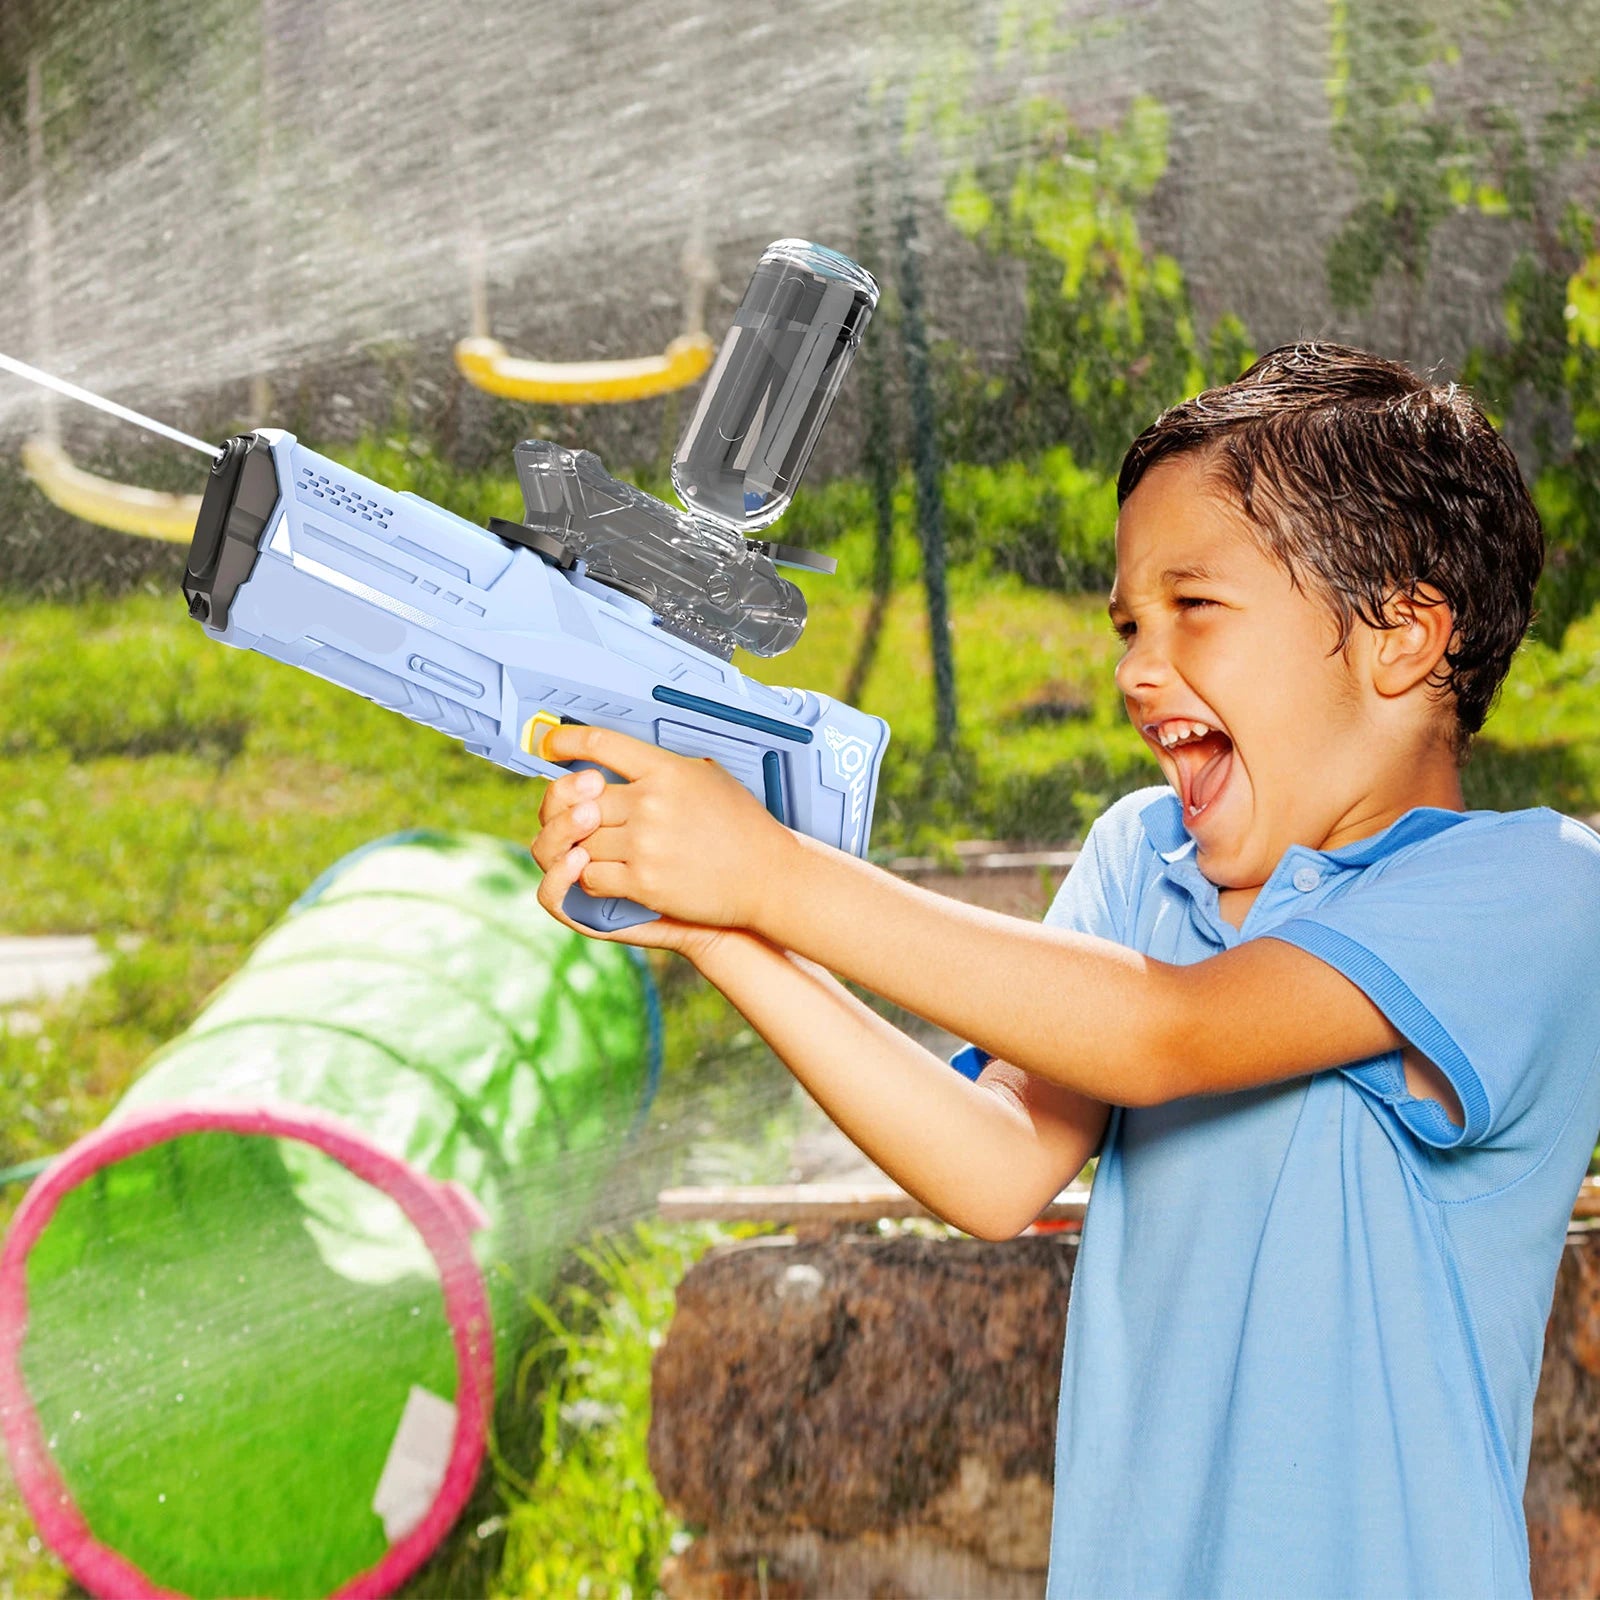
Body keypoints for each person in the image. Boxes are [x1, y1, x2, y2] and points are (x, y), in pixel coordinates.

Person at [529, 342, 1600, 1598]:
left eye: (1193, 607)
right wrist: (720, 927)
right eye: (1127, 623)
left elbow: (1171, 1036)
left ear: (1401, 636)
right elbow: (992, 1167)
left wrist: (769, 872)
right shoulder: (1140, 858)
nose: (1137, 671)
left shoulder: (1534, 892)